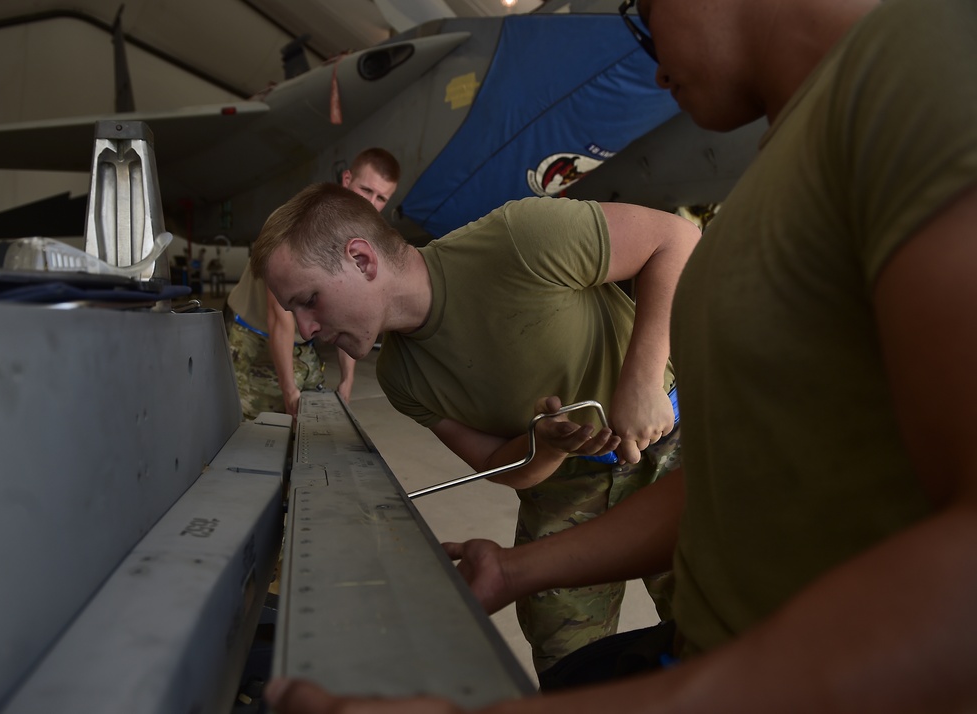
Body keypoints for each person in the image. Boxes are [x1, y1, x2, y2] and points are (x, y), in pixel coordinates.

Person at [260, 0, 977, 711]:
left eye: (642, 7)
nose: (649, 60)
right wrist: (517, 563)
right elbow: (737, 478)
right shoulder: (791, 154)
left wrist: (640, 380)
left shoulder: (922, 64)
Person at [251, 179, 699, 670]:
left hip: (675, 455)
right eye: (294, 310)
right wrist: (545, 447)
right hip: (563, 491)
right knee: (567, 662)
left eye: (308, 299)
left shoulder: (517, 238)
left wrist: (642, 378)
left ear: (362, 260)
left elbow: (675, 239)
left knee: (719, 624)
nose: (306, 328)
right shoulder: (403, 378)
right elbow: (496, 464)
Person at [226, 148, 399, 417]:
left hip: (303, 347)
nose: (371, 203)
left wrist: (347, 378)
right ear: (346, 179)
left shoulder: (361, 241)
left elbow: (349, 313)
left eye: (381, 198)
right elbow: (279, 316)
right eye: (366, 190)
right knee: (258, 438)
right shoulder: (297, 225)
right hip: (256, 344)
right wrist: (288, 390)